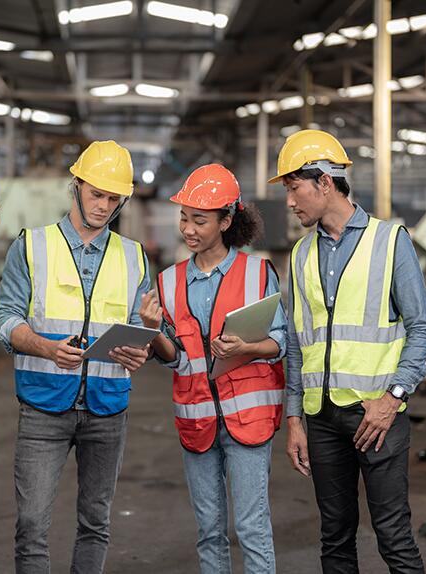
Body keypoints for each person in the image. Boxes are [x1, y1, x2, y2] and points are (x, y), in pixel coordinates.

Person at [274, 130, 426, 574]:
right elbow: (295, 341)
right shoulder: (301, 253)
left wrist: (393, 399)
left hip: (377, 416)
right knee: (335, 535)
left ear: (325, 182)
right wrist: (294, 419)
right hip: (322, 418)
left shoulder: (389, 241)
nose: (290, 201)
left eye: (294, 188)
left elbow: (422, 329)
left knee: (393, 535)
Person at [0, 140, 152, 573]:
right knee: (31, 523)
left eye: (113, 198)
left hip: (107, 408)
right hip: (44, 404)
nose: (103, 205)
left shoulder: (134, 257)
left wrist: (143, 348)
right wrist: (45, 347)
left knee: (96, 522)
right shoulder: (31, 246)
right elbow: (3, 318)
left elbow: (144, 327)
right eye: (96, 193)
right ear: (75, 186)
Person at [139, 164, 286, 574]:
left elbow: (281, 343)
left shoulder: (258, 274)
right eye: (184, 218)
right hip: (196, 419)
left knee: (251, 527)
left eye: (199, 220)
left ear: (225, 221)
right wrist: (152, 332)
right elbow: (175, 357)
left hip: (249, 419)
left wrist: (249, 346)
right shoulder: (168, 281)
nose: (188, 229)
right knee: (208, 530)